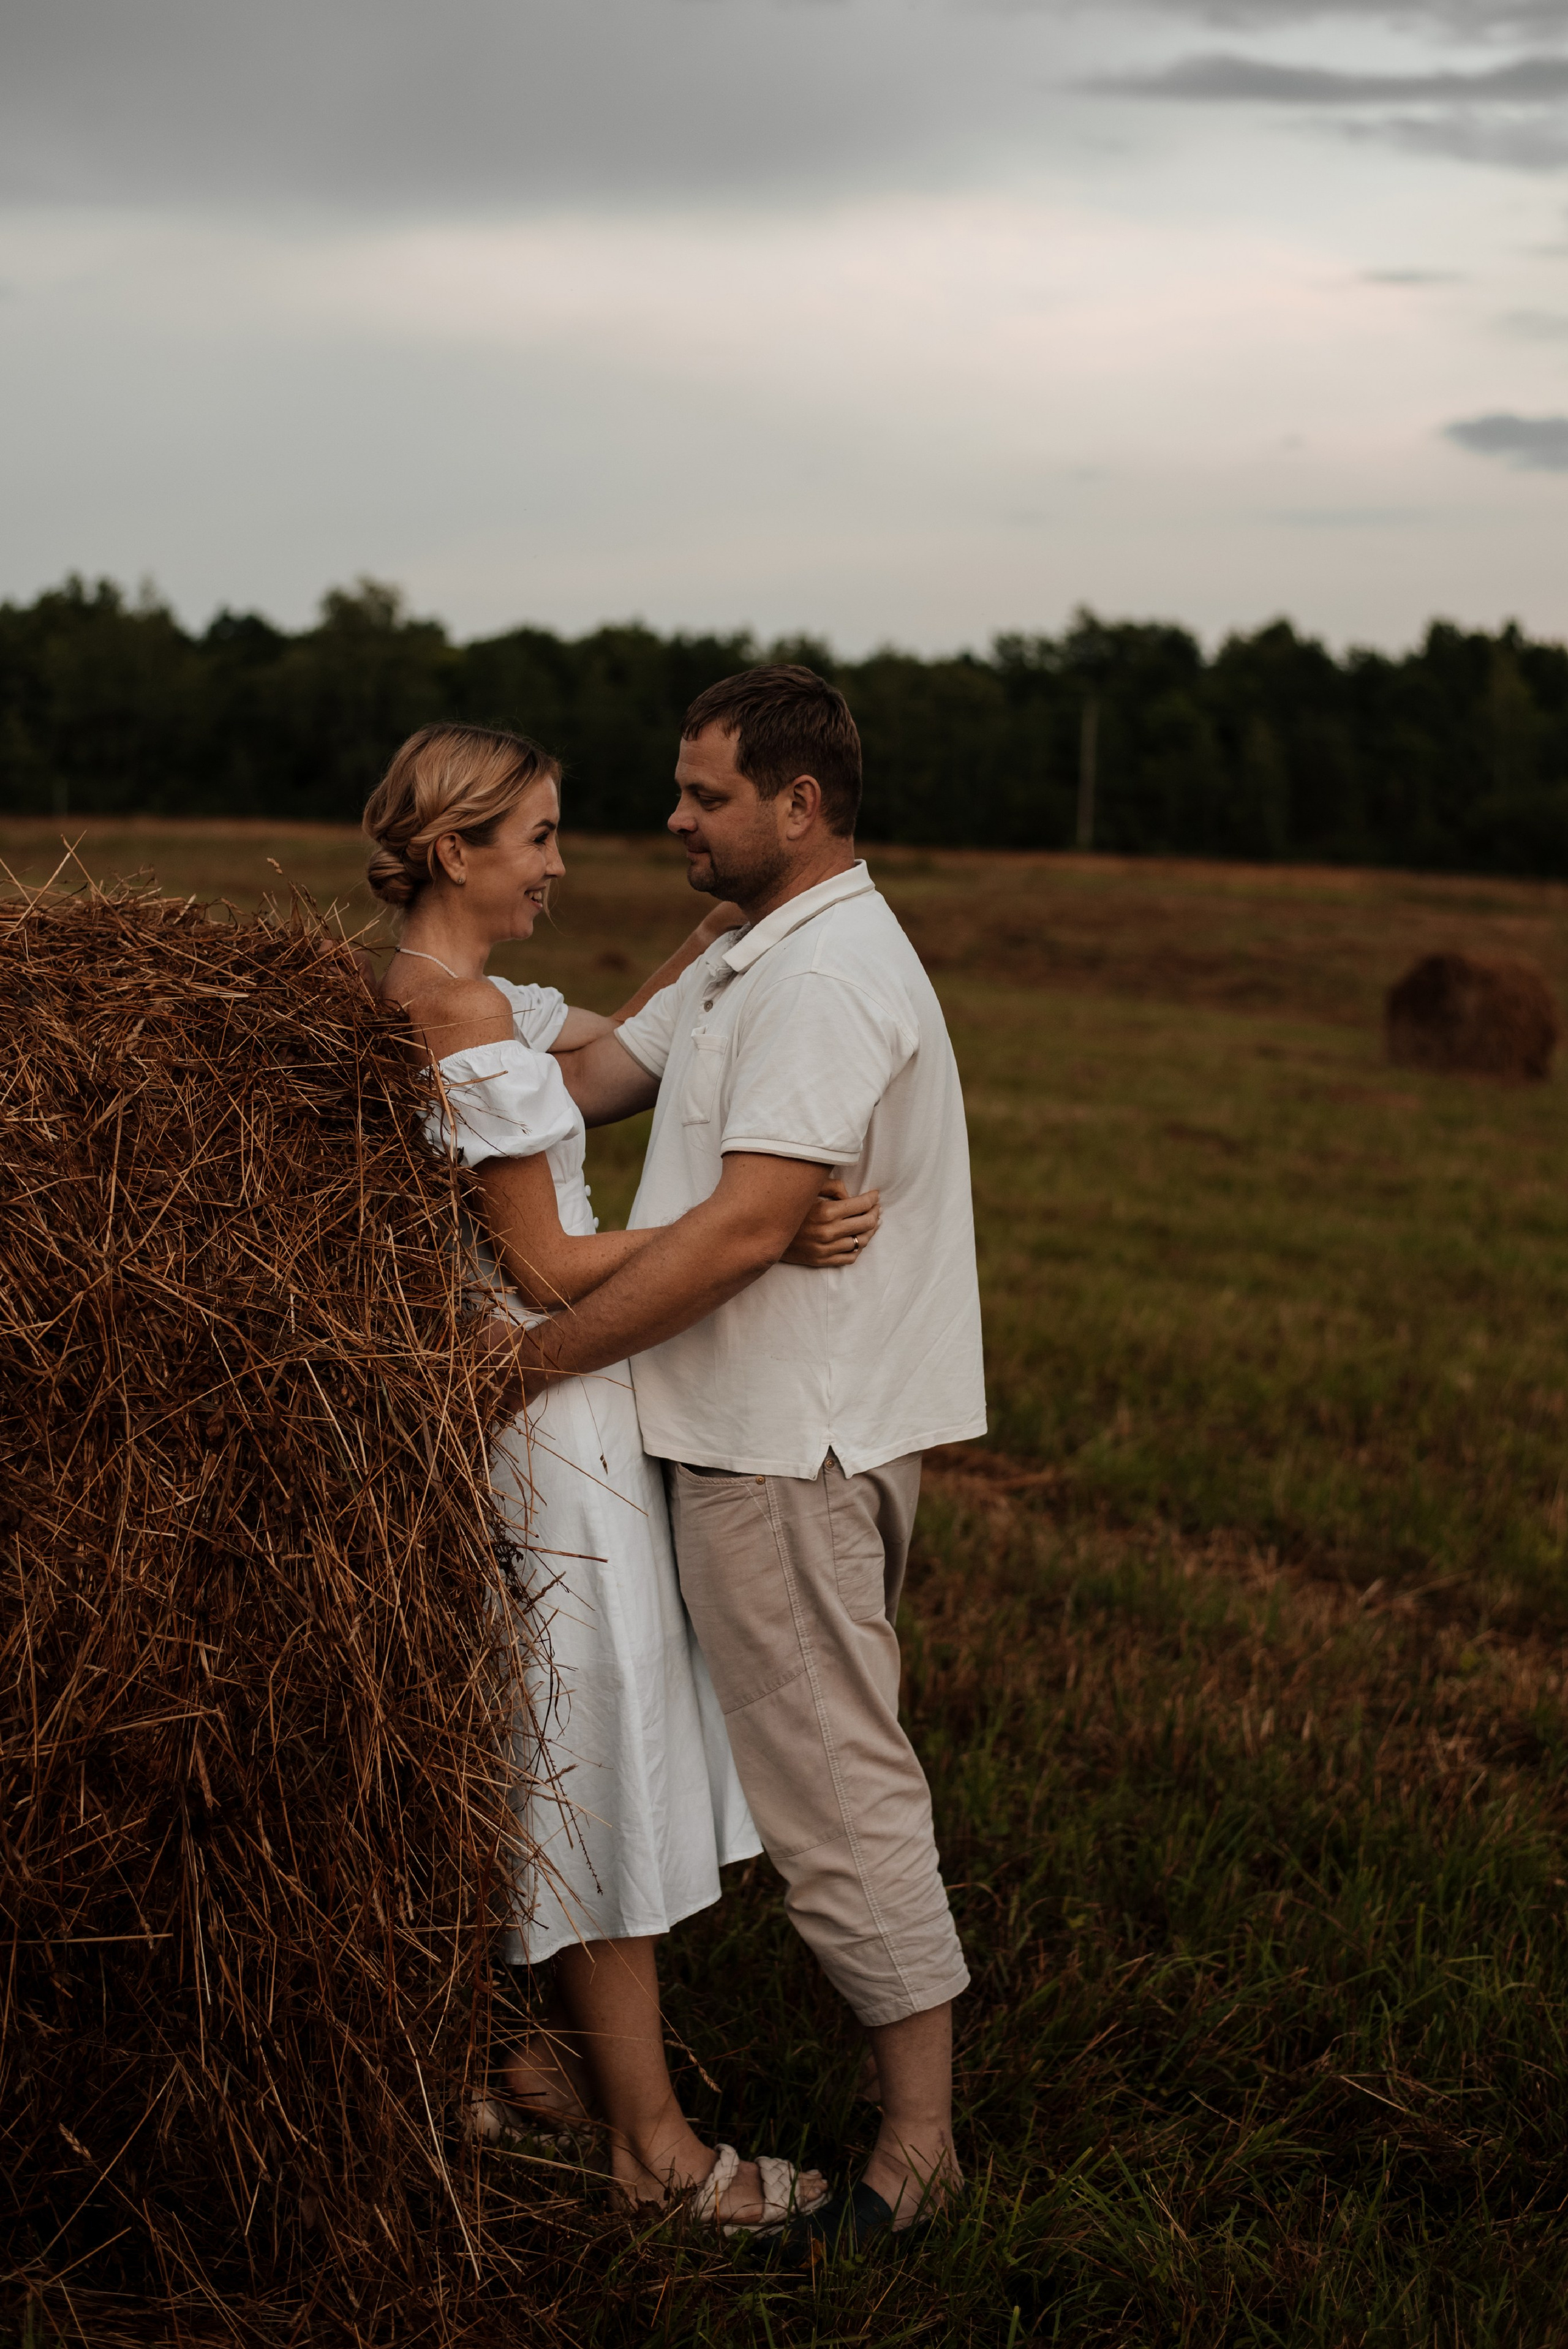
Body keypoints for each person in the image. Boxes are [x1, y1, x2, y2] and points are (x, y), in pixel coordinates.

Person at [362, 721, 881, 2231]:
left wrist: (710, 940)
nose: (561, 860)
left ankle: (518, 2062)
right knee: (596, 1757)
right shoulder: (457, 1021)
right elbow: (539, 1257)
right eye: (535, 836)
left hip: (501, 1415)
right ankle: (653, 2151)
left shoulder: (418, 991)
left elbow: (612, 1059)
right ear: (457, 849)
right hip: (549, 1412)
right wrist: (753, 1225)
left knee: (531, 1738)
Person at [516, 665, 988, 2251]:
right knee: (660, 1743)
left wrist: (517, 1365)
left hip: (789, 1443)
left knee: (834, 1782)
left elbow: (745, 1229)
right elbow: (589, 1082)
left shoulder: (825, 976)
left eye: (707, 795)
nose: (673, 818)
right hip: (729, 1423)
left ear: (801, 805)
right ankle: (572, 2057)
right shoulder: (749, 952)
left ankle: (918, 2146)